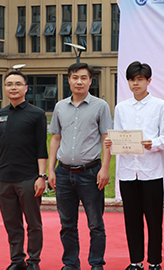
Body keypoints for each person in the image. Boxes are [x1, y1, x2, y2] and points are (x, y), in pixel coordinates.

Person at [106, 61, 164, 270]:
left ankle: (154, 262)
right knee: (131, 219)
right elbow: (118, 135)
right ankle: (135, 261)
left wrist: (153, 143)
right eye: (132, 80)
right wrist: (112, 142)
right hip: (127, 172)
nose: (136, 84)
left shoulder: (160, 106)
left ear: (148, 81)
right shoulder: (121, 108)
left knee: (154, 219)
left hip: (151, 171)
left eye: (140, 79)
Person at [47, 62, 112, 270]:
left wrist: (105, 168)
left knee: (95, 223)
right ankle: (70, 263)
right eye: (75, 77)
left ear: (90, 81)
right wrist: (50, 170)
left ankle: (96, 263)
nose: (79, 81)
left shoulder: (100, 106)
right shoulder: (60, 107)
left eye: (84, 78)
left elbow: (106, 138)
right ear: (69, 80)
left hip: (90, 173)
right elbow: (55, 138)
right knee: (67, 224)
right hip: (63, 173)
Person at [0, 70, 48, 270]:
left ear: (26, 88)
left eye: (18, 84)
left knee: (33, 223)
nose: (13, 87)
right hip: (4, 178)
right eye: (9, 84)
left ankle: (33, 261)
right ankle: (17, 261)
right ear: (5, 88)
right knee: (12, 223)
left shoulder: (36, 114)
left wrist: (41, 176)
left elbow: (41, 148)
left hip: (28, 178)